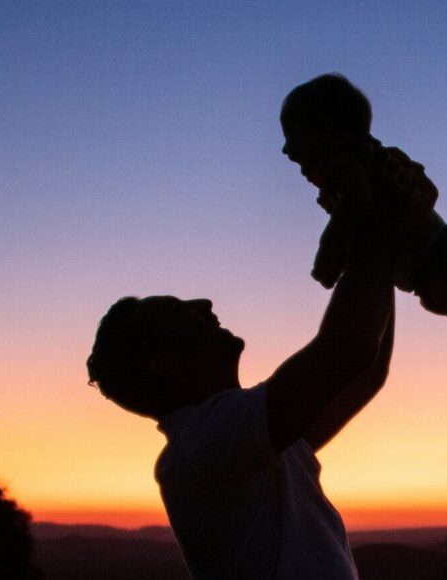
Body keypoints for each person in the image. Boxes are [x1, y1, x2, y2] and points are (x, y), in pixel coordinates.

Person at [85, 213, 396, 578]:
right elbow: (350, 349)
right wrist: (378, 222)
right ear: (166, 361)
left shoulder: (244, 440)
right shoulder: (203, 446)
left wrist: (380, 253)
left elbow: (363, 370)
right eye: (177, 309)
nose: (204, 303)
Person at [280, 73, 447, 449]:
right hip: (428, 260)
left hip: (443, 255)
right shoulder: (366, 160)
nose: (285, 149)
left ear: (325, 128)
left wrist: (329, 253)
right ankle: (303, 444)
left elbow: (356, 203)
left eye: (292, 134)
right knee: (376, 367)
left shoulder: (342, 163)